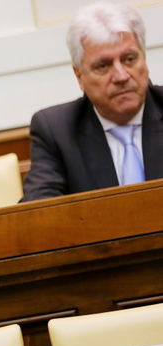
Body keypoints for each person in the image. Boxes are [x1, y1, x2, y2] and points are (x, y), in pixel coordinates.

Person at [21, 2, 163, 202]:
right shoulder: (57, 131)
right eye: (103, 66)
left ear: (144, 60)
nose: (121, 76)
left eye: (129, 59)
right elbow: (39, 212)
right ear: (79, 76)